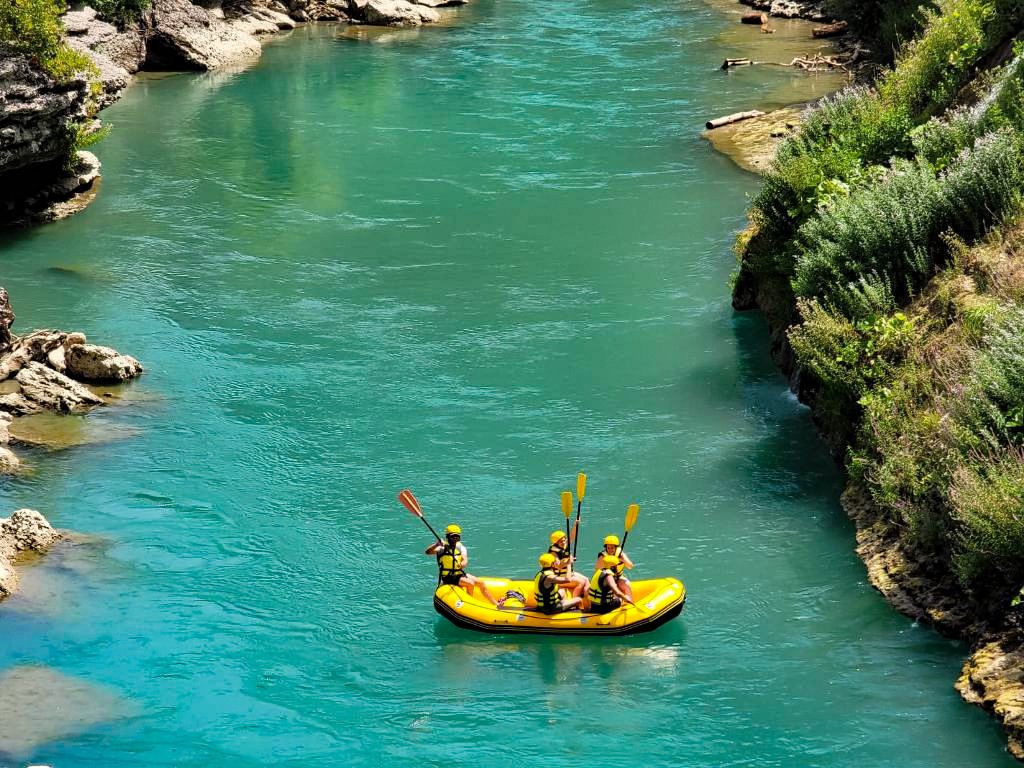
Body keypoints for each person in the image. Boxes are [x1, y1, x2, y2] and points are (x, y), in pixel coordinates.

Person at [425, 524, 499, 606]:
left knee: (481, 583)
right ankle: (470, 604)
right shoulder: (441, 548)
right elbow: (428, 552)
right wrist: (436, 545)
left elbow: (465, 559)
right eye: (453, 536)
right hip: (448, 577)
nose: (455, 538)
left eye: (457, 536)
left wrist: (463, 564)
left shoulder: (460, 547)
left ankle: (496, 604)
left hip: (459, 574)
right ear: (448, 537)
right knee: (470, 583)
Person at [548, 530, 589, 598]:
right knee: (581, 582)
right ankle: (575, 600)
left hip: (569, 574)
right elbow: (558, 566)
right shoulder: (553, 552)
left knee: (586, 580)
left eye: (564, 540)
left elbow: (572, 536)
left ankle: (588, 601)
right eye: (561, 541)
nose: (564, 542)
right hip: (561, 578)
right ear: (556, 542)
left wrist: (576, 524)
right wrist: (568, 562)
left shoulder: (564, 544)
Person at [595, 534, 634, 601]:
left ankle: (630, 602)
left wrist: (622, 560)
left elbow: (630, 566)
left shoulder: (620, 554)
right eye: (608, 548)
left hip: (618, 578)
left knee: (627, 584)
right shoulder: (602, 556)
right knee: (616, 594)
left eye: (612, 548)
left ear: (616, 548)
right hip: (608, 580)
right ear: (606, 547)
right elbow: (597, 571)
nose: (610, 550)